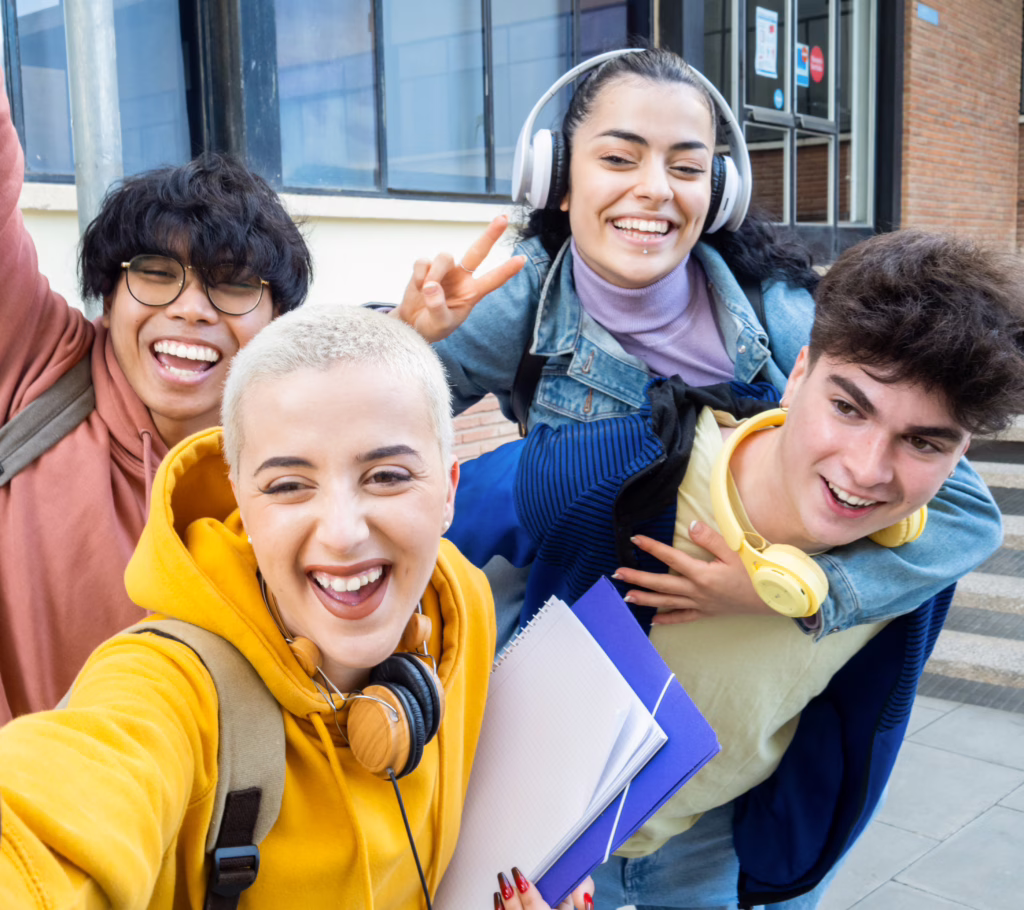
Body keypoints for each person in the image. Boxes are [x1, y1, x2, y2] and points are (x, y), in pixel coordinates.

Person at [447, 229, 1024, 909]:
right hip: (542, 843)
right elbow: (423, 526)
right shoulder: (608, 471)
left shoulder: (916, 558)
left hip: (723, 848)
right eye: (848, 407)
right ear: (798, 372)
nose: (865, 472)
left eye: (923, 442)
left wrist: (800, 597)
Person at [392, 47, 1002, 666]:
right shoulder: (515, 304)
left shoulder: (778, 312)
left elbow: (969, 512)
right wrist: (406, 338)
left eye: (685, 168)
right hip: (591, 641)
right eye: (617, 158)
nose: (654, 190)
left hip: (742, 660)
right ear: (559, 181)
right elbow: (354, 438)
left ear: (717, 193)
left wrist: (794, 596)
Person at [0, 304, 594, 910]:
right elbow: (52, 812)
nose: (341, 532)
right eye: (288, 485)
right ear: (242, 501)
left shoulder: (458, 598)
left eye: (386, 476)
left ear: (448, 492)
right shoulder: (171, 688)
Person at [0, 76, 312, 722]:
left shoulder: (300, 476)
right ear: (108, 297)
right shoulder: (37, 363)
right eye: (155, 273)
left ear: (275, 318)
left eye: (232, 284)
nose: (190, 309)